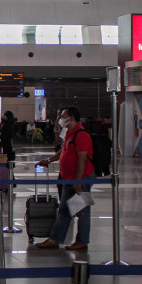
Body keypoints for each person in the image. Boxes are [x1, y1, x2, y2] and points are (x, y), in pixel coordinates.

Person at [33, 107, 94, 251]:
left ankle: (82, 241)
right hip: (68, 178)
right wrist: (49, 160)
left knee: (82, 211)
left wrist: (79, 182)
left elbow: (82, 160)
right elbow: (63, 151)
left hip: (80, 178)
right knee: (64, 210)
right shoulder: (70, 134)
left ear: (71, 118)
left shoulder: (81, 135)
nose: (60, 118)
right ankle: (55, 239)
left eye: (63, 116)